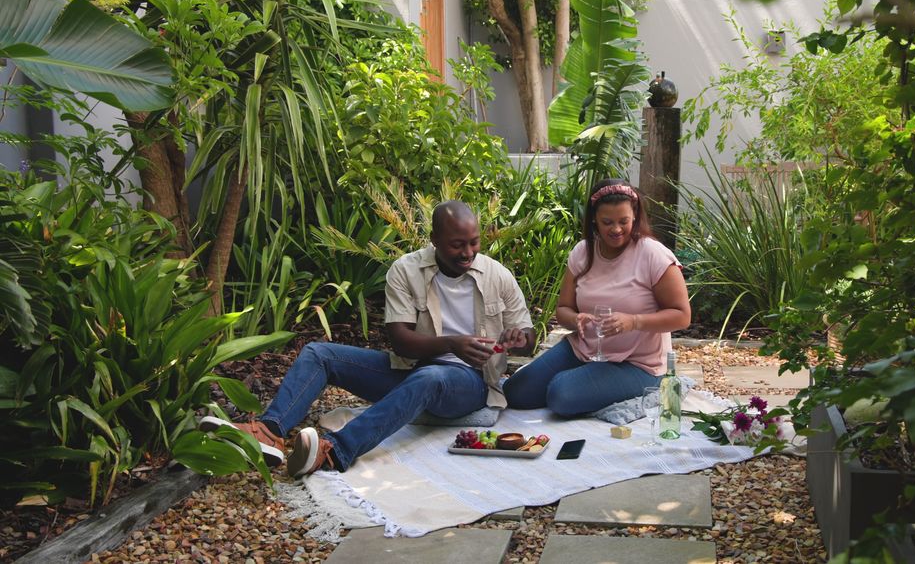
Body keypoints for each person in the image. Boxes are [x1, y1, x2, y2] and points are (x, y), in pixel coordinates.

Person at [199, 201, 536, 477]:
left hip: (469, 383)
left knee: (432, 376)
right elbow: (401, 342)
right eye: (457, 244)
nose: (468, 252)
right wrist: (451, 343)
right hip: (410, 366)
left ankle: (335, 451)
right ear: (434, 239)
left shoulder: (497, 275)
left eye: (474, 242)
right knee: (320, 353)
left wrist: (516, 337)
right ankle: (270, 431)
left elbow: (529, 340)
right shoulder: (406, 270)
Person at [502, 179, 691, 415]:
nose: (616, 229)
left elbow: (682, 316)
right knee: (516, 392)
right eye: (607, 222)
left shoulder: (653, 254)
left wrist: (633, 322)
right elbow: (563, 309)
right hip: (585, 350)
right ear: (594, 219)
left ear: (635, 217)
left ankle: (601, 384)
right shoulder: (583, 252)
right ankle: (583, 380)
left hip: (637, 364)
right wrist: (575, 319)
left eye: (624, 221)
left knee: (561, 395)